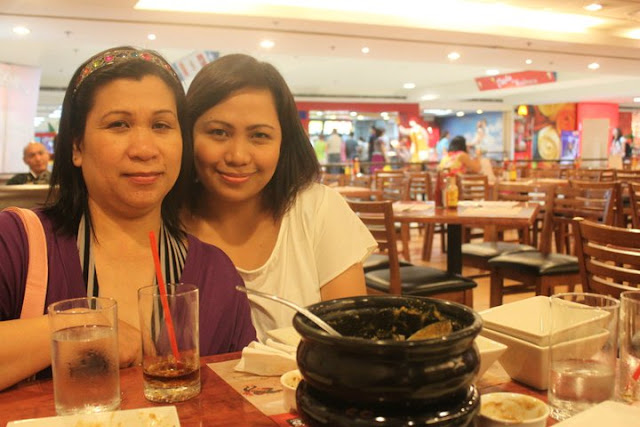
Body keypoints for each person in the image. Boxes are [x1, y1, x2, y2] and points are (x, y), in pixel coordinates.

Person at [0, 46, 255, 391]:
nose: (144, 149)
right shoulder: (17, 244)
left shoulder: (216, 274)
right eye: (118, 124)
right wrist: (80, 329)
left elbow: (245, 398)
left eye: (161, 125)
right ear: (76, 146)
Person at [183, 54, 377, 341]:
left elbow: (347, 340)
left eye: (259, 135)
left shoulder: (318, 209)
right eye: (219, 132)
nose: (238, 156)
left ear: (283, 143)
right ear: (187, 135)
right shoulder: (160, 223)